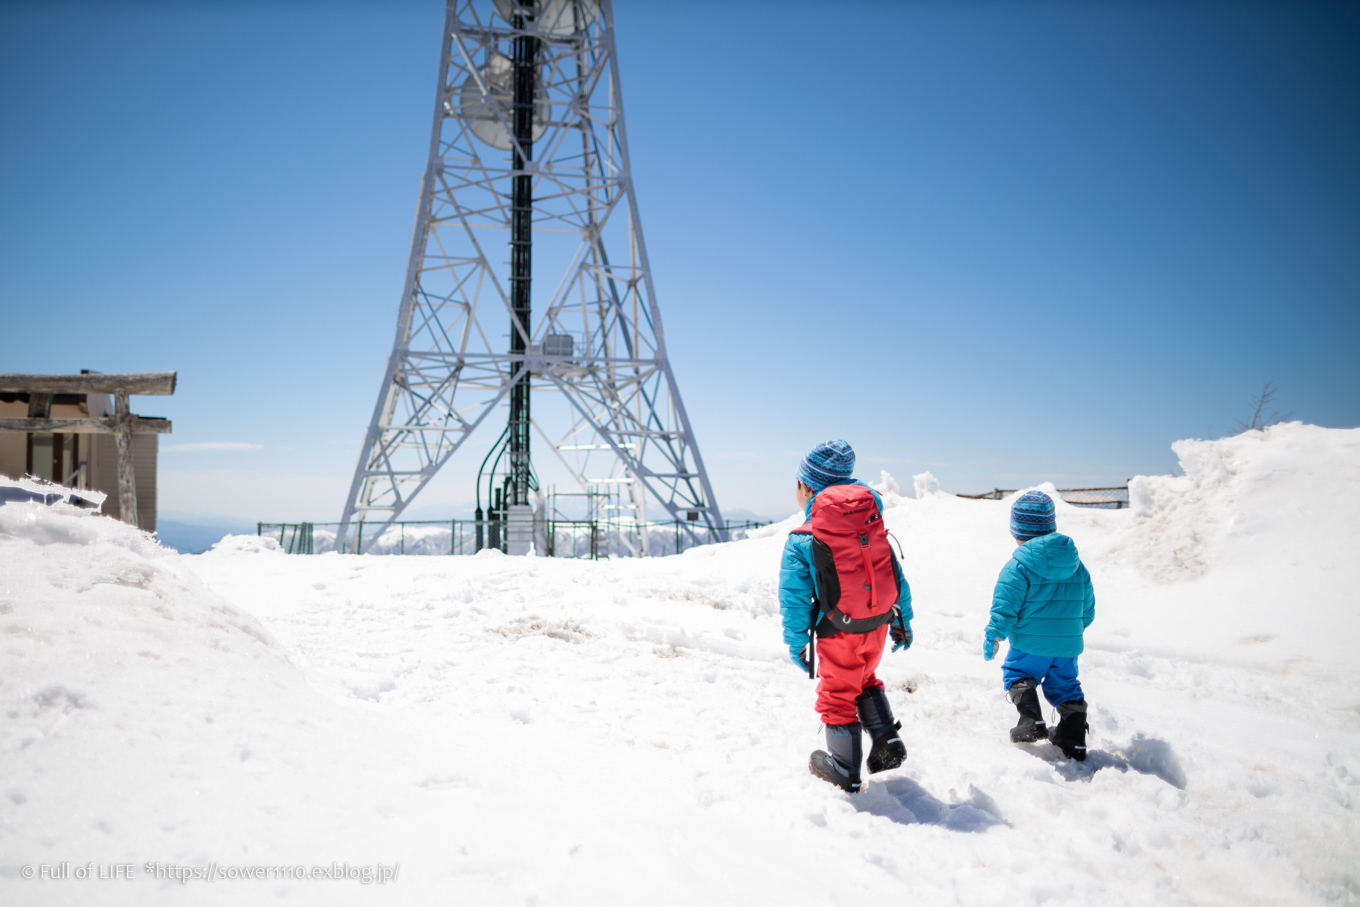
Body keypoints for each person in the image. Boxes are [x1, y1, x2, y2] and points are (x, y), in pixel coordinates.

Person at [779, 439, 913, 793]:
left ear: (806, 487)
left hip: (838, 630)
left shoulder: (802, 539)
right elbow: (894, 574)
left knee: (837, 692)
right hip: (878, 624)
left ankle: (844, 767)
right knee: (864, 676)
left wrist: (797, 642)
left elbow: (794, 600)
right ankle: (886, 737)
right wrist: (903, 620)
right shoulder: (871, 523)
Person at [983, 491, 1095, 761]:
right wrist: (1071, 629)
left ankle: (1031, 722)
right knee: (1066, 685)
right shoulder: (1076, 564)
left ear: (1017, 530)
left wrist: (994, 634)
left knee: (1017, 673)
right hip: (1068, 644)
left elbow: (1005, 605)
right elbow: (1087, 607)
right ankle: (1074, 737)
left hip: (1030, 643)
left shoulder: (1018, 566)